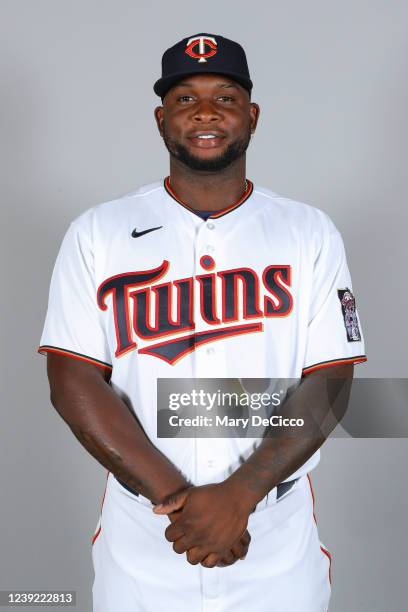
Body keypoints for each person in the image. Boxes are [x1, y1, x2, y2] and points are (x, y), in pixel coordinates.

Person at [38, 33, 367, 612]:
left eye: (226, 95)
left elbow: (333, 377)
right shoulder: (99, 231)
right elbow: (73, 379)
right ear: (162, 118)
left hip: (274, 533)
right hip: (144, 533)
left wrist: (240, 494)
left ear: (252, 115)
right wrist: (180, 501)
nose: (207, 111)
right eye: (186, 98)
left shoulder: (308, 231)